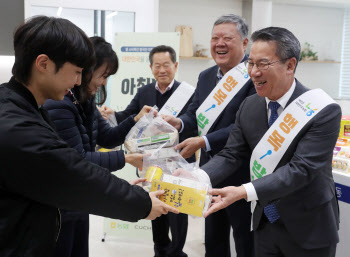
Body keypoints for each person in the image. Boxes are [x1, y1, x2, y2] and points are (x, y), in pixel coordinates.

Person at [0, 15, 178, 257]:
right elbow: (72, 171)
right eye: (75, 71)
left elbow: (82, 159)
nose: (77, 81)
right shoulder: (19, 126)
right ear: (43, 64)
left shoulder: (29, 108)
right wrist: (142, 203)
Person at [201, 27, 340, 257]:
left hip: (309, 228)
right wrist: (197, 177)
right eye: (251, 64)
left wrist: (243, 191)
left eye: (263, 64)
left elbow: (301, 169)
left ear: (290, 65)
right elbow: (231, 155)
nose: (254, 73)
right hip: (264, 224)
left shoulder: (322, 110)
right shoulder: (249, 106)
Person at [43, 36, 151, 257]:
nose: (103, 82)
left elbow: (108, 137)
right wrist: (126, 159)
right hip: (61, 204)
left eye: (107, 77)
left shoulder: (84, 99)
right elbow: (77, 160)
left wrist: (136, 119)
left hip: (80, 197)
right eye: (103, 75)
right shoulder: (59, 104)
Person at [165, 14, 255, 257]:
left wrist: (204, 141)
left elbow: (243, 126)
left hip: (241, 173)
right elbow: (194, 114)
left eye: (228, 38)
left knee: (245, 239)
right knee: (213, 236)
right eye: (215, 38)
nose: (219, 44)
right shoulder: (206, 76)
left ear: (245, 43)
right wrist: (180, 123)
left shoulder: (253, 77)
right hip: (208, 171)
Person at [100, 45, 195, 257]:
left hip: (177, 163)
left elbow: (194, 123)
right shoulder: (143, 92)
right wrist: (111, 113)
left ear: (175, 66)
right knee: (155, 206)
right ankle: (160, 250)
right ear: (151, 67)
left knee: (178, 211)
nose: (162, 70)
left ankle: (176, 251)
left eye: (166, 65)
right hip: (151, 163)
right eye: (157, 66)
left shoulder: (188, 94)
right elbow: (129, 114)